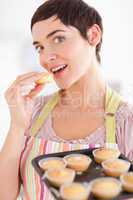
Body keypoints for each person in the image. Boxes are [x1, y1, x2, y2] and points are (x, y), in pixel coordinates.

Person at [0, 0, 133, 199]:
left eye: (58, 39)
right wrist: (17, 125)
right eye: (40, 47)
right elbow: (5, 195)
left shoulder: (126, 121)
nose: (46, 57)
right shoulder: (32, 111)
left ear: (93, 35)